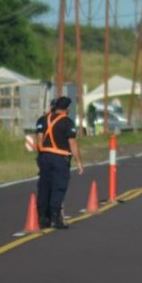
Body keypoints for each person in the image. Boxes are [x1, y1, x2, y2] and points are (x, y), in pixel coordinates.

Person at [36, 96, 84, 229]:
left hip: (44, 157)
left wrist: (41, 156)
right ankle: (56, 219)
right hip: (60, 158)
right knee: (58, 187)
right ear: (67, 108)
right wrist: (79, 162)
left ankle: (42, 218)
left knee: (44, 187)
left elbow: (39, 139)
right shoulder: (68, 122)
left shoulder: (42, 119)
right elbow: (72, 143)